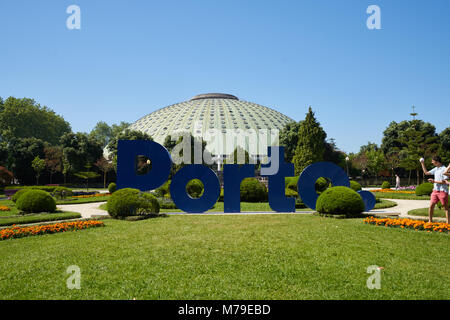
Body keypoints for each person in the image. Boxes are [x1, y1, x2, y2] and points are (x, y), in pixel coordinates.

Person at [420, 156, 449, 223]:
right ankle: (430, 221)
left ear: (437, 161)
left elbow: (445, 181)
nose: (432, 162)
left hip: (442, 191)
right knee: (431, 206)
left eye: (433, 161)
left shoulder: (444, 169)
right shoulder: (436, 169)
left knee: (446, 208)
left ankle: (448, 223)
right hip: (435, 191)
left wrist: (434, 181)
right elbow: (426, 173)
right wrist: (422, 163)